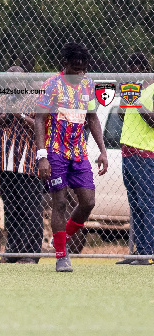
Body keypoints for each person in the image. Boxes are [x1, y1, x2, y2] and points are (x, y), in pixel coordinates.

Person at [35, 42, 108, 273]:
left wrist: (103, 150)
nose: (79, 73)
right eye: (75, 68)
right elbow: (39, 120)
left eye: (83, 69)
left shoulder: (88, 85)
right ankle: (61, 255)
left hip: (79, 153)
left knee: (88, 202)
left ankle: (61, 238)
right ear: (64, 64)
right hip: (55, 152)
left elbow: (93, 118)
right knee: (61, 202)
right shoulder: (51, 85)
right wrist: (42, 156)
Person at [0, 66, 43, 264]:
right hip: (6, 163)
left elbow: (41, 127)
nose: (12, 85)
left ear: (25, 82)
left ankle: (31, 254)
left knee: (30, 208)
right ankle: (12, 253)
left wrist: (20, 116)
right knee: (12, 209)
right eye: (9, 81)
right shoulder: (0, 100)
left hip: (28, 163)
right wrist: (2, 118)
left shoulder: (36, 99)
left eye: (17, 81)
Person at [117, 53, 154, 265]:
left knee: (147, 203)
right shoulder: (135, 90)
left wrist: (137, 101)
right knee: (135, 205)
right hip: (128, 151)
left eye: (133, 70)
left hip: (145, 153)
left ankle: (147, 253)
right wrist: (126, 100)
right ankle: (138, 252)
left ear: (142, 69)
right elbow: (123, 115)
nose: (130, 74)